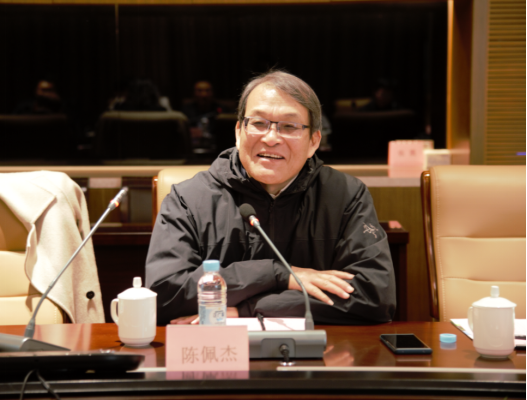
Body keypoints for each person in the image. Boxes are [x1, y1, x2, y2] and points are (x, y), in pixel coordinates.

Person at [146, 71, 396, 326]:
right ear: (238, 132)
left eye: (289, 126)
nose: (272, 138)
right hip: (217, 349)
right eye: (258, 123)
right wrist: (276, 273)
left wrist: (249, 309)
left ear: (314, 142)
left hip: (317, 347)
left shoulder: (346, 196)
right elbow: (164, 294)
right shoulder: (188, 199)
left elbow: (375, 296)